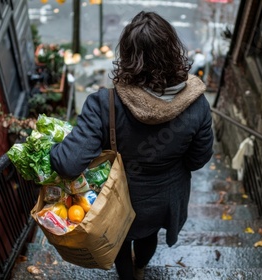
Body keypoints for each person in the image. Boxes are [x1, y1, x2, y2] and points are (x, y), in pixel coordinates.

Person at [49, 11, 214, 280]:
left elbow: (68, 163)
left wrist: (53, 147)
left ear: (127, 56)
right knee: (149, 235)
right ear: (173, 50)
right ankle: (140, 268)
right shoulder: (197, 105)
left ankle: (128, 275)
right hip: (166, 197)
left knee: (121, 238)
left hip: (119, 197)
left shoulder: (104, 104)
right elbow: (199, 159)